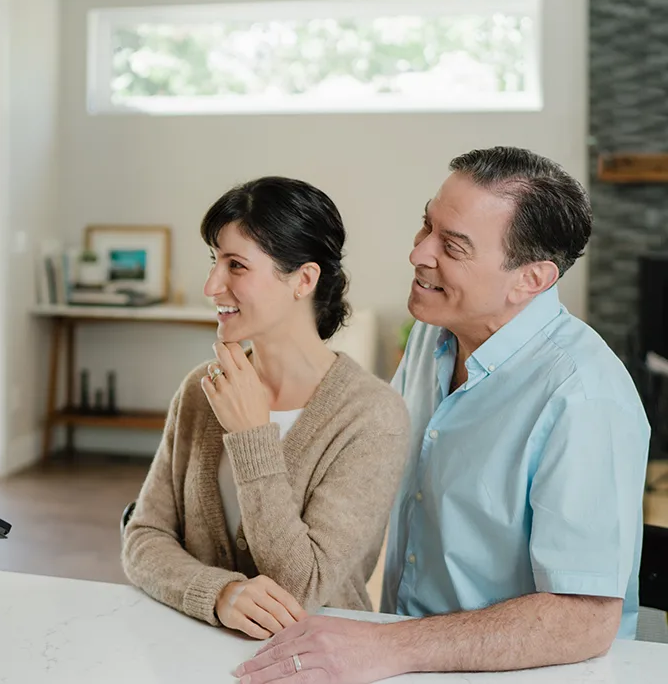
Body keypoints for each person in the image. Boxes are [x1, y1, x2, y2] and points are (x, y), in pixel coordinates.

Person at [233, 147, 651, 684]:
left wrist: (388, 645)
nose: (419, 254)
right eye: (425, 225)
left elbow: (585, 621)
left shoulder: (586, 397)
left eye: (452, 246)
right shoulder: (435, 332)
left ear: (531, 279)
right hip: (409, 659)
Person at [121, 177, 410, 640]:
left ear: (304, 279)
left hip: (316, 661)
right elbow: (143, 536)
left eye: (236, 265)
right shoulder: (201, 389)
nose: (212, 285)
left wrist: (252, 436)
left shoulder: (372, 416)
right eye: (215, 261)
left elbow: (303, 586)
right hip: (188, 651)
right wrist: (218, 593)